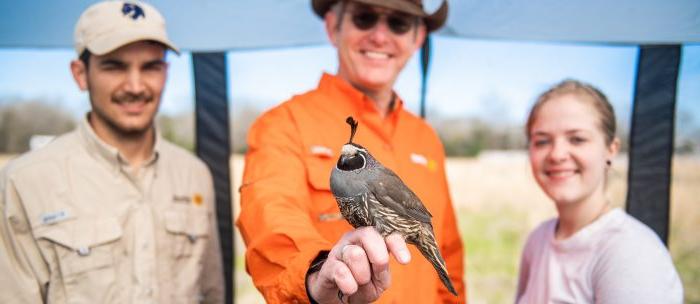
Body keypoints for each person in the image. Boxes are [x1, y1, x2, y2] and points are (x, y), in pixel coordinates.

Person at [236, 0, 465, 303]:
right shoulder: (284, 124)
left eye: (399, 23)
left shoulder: (425, 138)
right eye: (364, 18)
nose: (380, 37)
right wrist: (316, 272)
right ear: (333, 27)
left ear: (417, 38)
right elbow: (271, 219)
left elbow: (446, 251)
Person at [0, 1, 224, 303]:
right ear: (81, 74)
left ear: (166, 72)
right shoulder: (24, 182)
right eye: (114, 66)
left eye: (151, 66)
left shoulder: (194, 174)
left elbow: (212, 294)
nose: (135, 85)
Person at [515, 79, 684, 303]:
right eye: (542, 141)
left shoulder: (631, 254)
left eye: (577, 139)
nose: (557, 154)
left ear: (611, 149)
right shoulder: (537, 241)